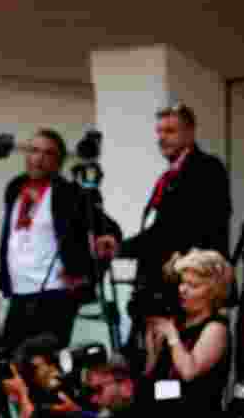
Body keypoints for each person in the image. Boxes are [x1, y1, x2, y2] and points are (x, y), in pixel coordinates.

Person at [0, 128, 120, 353]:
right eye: (34, 151)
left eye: (48, 153)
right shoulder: (14, 188)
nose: (39, 158)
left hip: (55, 295)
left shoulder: (68, 193)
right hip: (18, 294)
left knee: (42, 361)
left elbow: (109, 230)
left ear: (59, 162)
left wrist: (86, 276)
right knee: (8, 362)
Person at [94, 104, 231, 292]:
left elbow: (177, 229)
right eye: (159, 132)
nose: (161, 138)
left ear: (190, 133)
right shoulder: (167, 177)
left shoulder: (206, 168)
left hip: (191, 286)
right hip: (163, 283)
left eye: (170, 131)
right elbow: (160, 228)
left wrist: (123, 249)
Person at [143, 249, 233, 408]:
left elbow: (189, 374)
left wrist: (172, 336)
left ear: (213, 292)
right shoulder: (177, 322)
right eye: (182, 282)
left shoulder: (216, 328)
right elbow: (155, 380)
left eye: (193, 285)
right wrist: (153, 346)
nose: (182, 289)